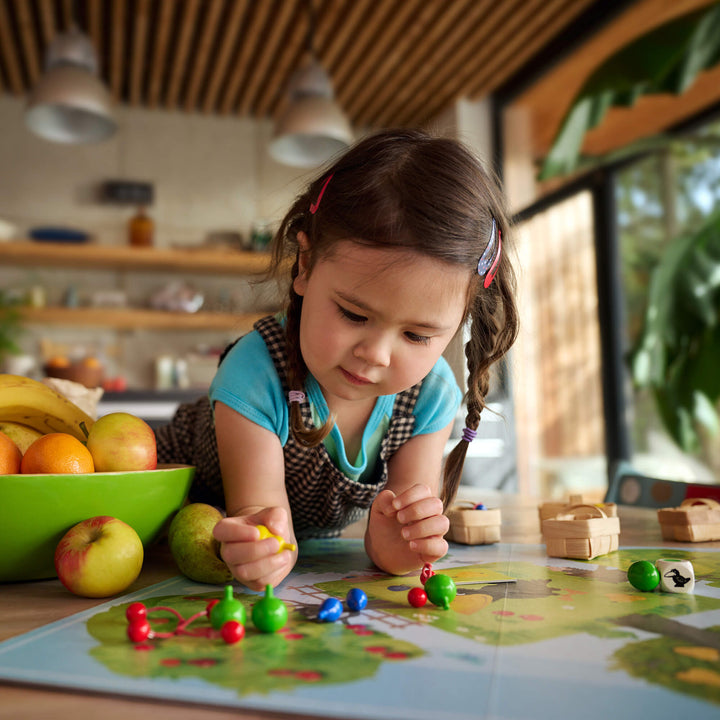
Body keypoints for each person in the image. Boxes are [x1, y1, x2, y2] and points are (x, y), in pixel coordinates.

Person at [156, 129, 518, 590]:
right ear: (304, 265)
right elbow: (260, 518)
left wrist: (400, 542)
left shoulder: (430, 396)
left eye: (417, 334)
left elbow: (391, 550)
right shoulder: (256, 371)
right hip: (158, 518)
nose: (376, 354)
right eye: (353, 313)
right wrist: (263, 546)